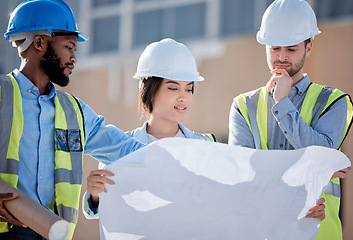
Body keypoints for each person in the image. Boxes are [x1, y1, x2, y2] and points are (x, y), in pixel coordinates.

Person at [0, 0, 145, 239]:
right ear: (39, 43)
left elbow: (126, 149)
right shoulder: (2, 95)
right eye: (69, 47)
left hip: (54, 232)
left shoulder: (73, 112)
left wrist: (180, 156)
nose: (74, 58)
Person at [228, 0, 353, 239]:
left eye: (291, 49)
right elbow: (242, 175)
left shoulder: (333, 101)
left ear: (309, 47)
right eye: (274, 48)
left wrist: (282, 102)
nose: (282, 57)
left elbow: (323, 152)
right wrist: (301, 187)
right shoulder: (244, 106)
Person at [82, 38, 217, 219]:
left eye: (189, 89)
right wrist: (95, 196)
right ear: (150, 91)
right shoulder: (119, 147)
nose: (183, 97)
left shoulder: (206, 146)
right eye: (173, 88)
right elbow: (104, 214)